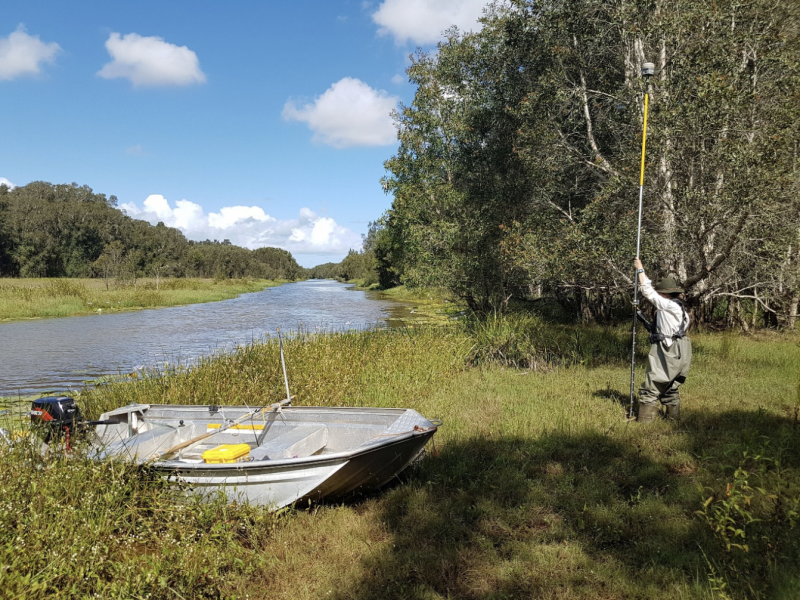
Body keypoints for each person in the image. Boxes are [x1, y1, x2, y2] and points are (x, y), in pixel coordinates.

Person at [633, 258, 692, 423]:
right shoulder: (681, 311)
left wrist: (640, 269)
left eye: (660, 294)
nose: (657, 296)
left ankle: (645, 422)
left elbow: (647, 291)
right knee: (670, 386)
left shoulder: (669, 306)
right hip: (681, 351)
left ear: (665, 294)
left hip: (669, 350)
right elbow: (663, 329)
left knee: (653, 383)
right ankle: (673, 419)